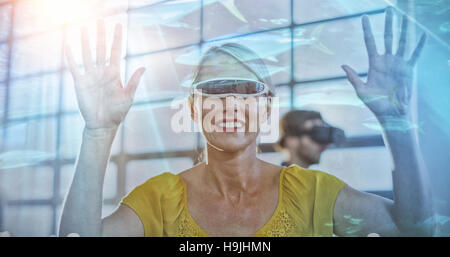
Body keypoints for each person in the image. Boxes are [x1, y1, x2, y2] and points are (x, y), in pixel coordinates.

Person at [59, 7, 435, 237]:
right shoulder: (158, 199)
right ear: (192, 108)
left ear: (267, 106)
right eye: (216, 89)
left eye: (245, 89)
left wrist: (397, 124)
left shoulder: (313, 194)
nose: (232, 102)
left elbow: (412, 230)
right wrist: (99, 130)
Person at [277, 110, 345, 168]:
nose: (324, 146)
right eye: (316, 135)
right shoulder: (277, 181)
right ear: (291, 140)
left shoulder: (306, 180)